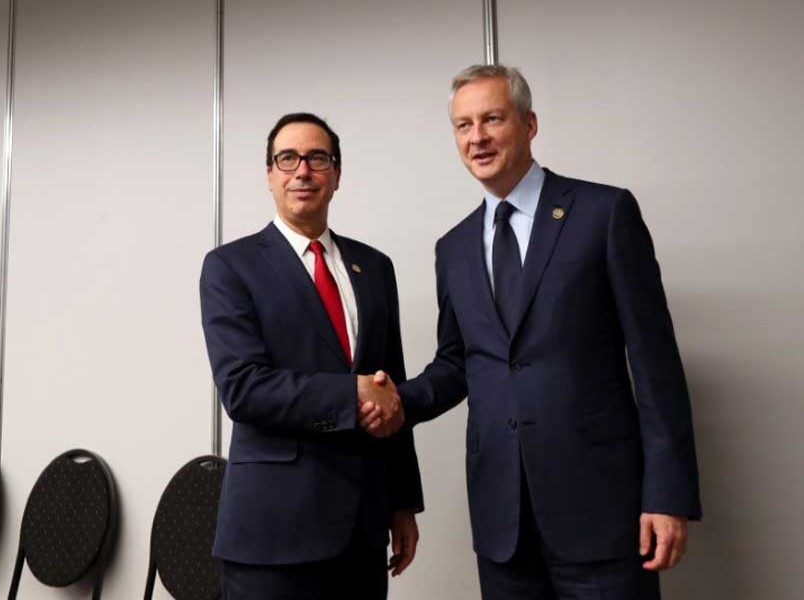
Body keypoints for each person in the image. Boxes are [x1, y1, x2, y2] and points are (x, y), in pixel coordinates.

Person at [361, 65, 702, 599]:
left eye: (492, 119)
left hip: (603, 513)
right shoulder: (453, 248)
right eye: (463, 125)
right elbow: (457, 364)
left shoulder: (604, 213)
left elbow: (656, 363)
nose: (477, 137)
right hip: (503, 524)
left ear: (529, 124)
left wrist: (667, 494)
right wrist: (395, 400)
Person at [200, 112, 422, 600]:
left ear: (337, 175)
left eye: (317, 158)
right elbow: (243, 388)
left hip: (362, 533)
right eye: (287, 159)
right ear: (269, 175)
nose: (303, 170)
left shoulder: (375, 268)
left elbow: (392, 387)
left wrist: (402, 502)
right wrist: (351, 392)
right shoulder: (230, 267)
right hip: (274, 536)